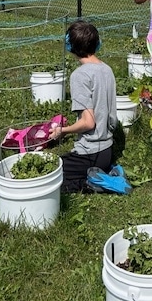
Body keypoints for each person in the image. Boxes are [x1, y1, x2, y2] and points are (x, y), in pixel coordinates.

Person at [48, 21, 118, 192]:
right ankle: (107, 173)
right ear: (97, 43)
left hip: (90, 153)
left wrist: (62, 131)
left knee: (50, 175)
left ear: (70, 46)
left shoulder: (80, 76)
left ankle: (93, 184)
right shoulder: (107, 69)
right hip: (107, 150)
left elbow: (88, 123)